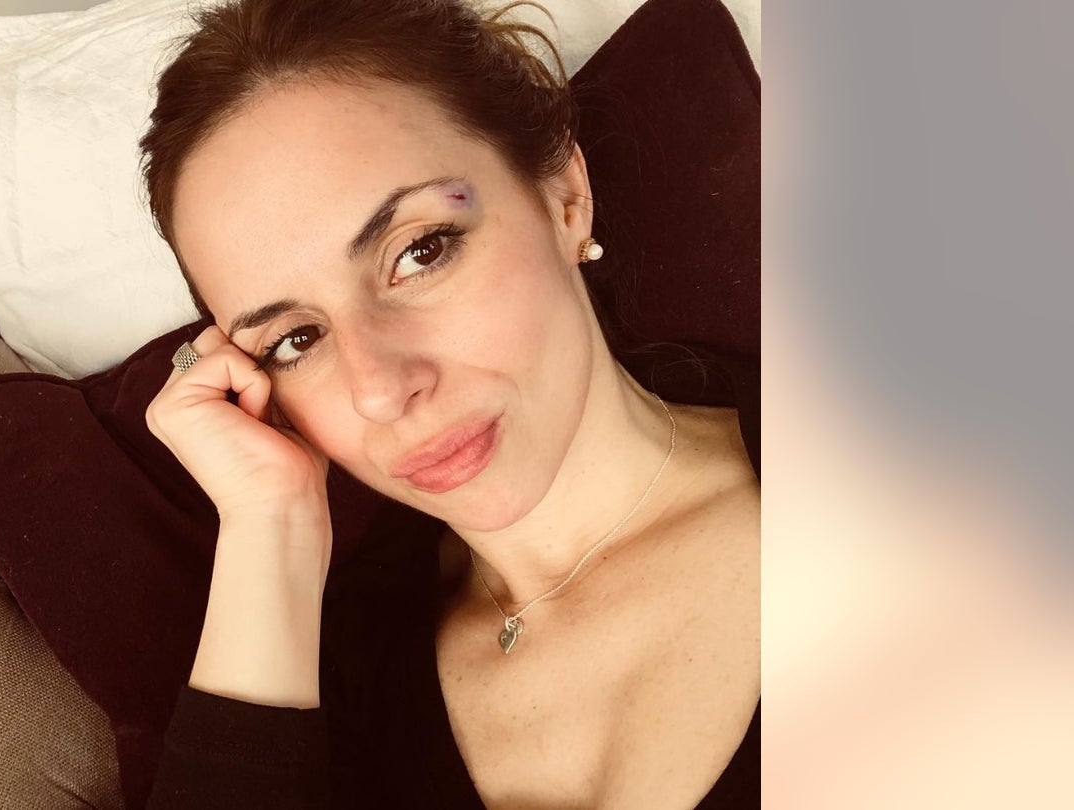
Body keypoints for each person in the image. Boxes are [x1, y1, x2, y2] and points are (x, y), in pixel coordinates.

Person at [138, 0, 759, 807]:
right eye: (294, 340)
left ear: (564, 197)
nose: (381, 389)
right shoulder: (329, 682)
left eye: (420, 252)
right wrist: (270, 528)